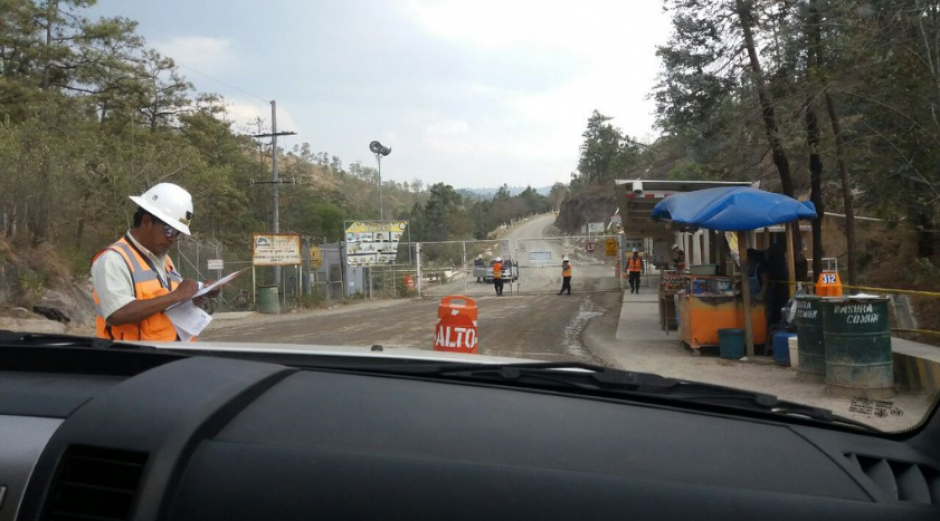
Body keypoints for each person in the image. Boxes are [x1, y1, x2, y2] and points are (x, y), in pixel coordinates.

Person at [91, 183, 218, 341]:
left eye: (178, 233)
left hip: (164, 357)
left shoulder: (164, 260)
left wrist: (199, 295)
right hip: (129, 361)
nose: (173, 238)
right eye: (169, 230)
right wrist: (176, 296)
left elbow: (169, 306)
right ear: (146, 221)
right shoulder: (113, 259)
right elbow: (117, 314)